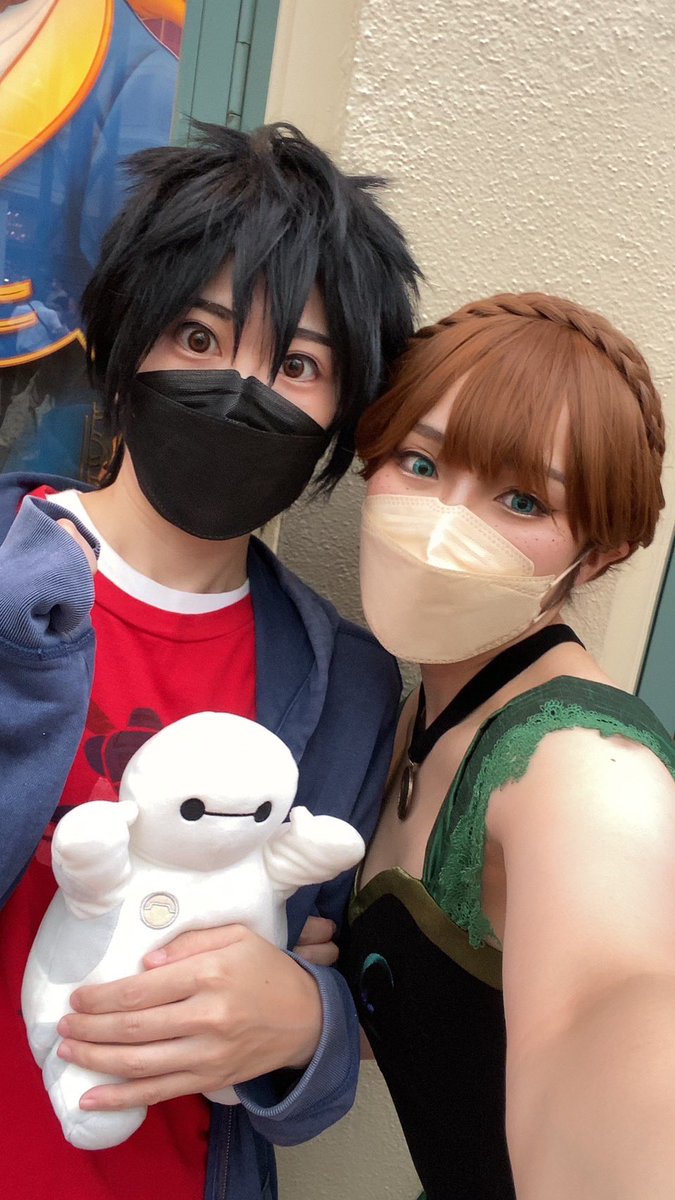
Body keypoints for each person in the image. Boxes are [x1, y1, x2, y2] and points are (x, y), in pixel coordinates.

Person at [0, 121, 420, 1200]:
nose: (239, 388)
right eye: (197, 334)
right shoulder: (11, 581)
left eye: (298, 364)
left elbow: (332, 993)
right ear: (120, 343)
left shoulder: (348, 687)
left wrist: (306, 1020)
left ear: (339, 420)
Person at [342, 292, 675, 1200]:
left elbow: (608, 1005)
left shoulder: (584, 767)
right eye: (419, 462)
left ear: (596, 555)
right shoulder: (411, 711)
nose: (445, 525)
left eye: (521, 499)